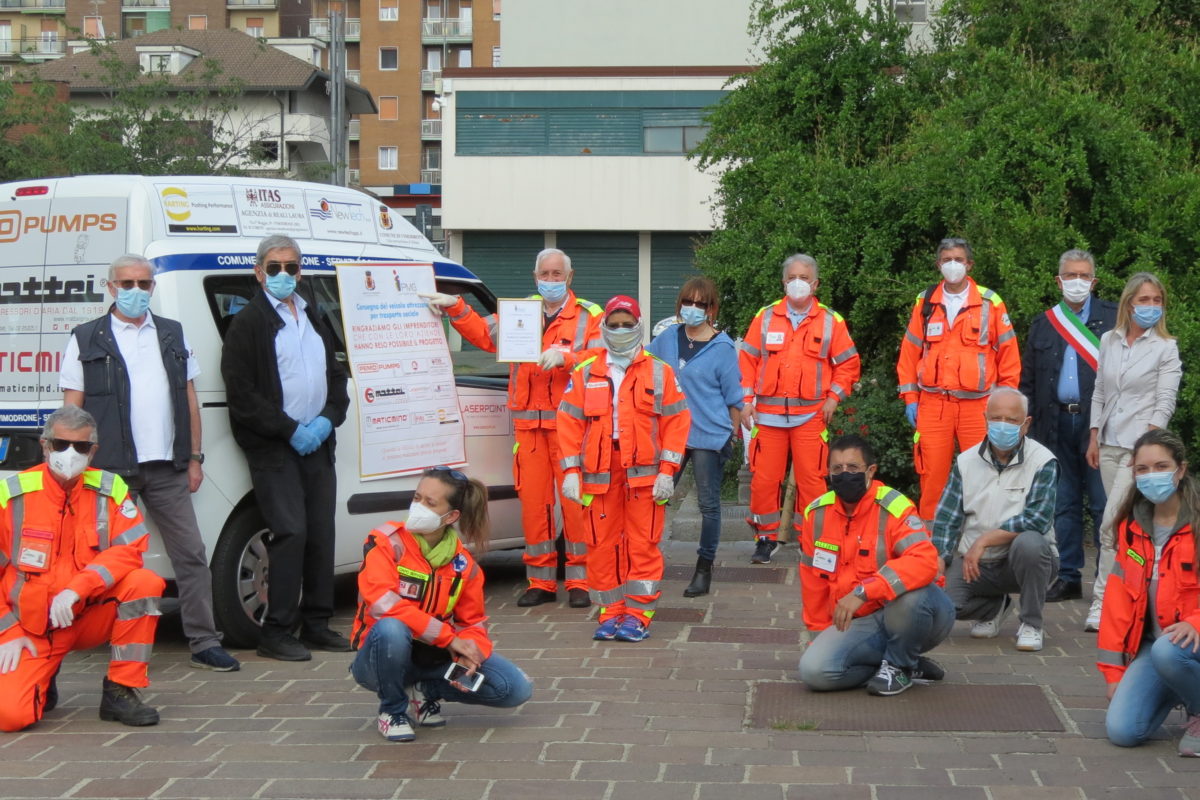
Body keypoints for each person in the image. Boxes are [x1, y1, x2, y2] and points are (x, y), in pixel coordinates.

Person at [60, 254, 238, 672]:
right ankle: (98, 635)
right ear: (111, 287)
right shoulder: (86, 337)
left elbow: (189, 398)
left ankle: (204, 641)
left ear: (153, 287)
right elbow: (72, 410)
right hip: (109, 471)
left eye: (143, 283)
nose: (136, 291)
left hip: (167, 466)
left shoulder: (172, 333)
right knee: (106, 559)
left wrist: (194, 458)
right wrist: (73, 464)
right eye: (127, 284)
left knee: (191, 554)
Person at [420, 249, 602, 608]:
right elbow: (484, 335)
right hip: (529, 428)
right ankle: (541, 582)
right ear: (535, 277)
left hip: (570, 427)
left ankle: (580, 581)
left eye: (557, 274)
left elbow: (601, 357)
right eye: (544, 274)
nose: (550, 280)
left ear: (570, 277)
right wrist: (456, 307)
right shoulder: (521, 311)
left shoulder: (589, 316)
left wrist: (567, 358)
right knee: (534, 507)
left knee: (576, 506)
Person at [221, 234, 351, 662]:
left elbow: (335, 377)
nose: (283, 275)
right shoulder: (248, 323)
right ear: (259, 272)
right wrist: (289, 430)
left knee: (320, 532)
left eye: (291, 267)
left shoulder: (312, 314)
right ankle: (276, 630)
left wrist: (327, 419)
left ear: (300, 271)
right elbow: (242, 394)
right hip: (275, 448)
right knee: (290, 532)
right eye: (274, 267)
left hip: (318, 442)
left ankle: (316, 623)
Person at [0, 406, 164, 731]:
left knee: (144, 583)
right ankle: (44, 677)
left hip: (88, 613)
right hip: (32, 628)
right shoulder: (12, 495)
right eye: (61, 444)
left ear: (93, 451)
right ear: (45, 445)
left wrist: (77, 588)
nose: (70, 453)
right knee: (10, 716)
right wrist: (8, 631)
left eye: (81, 446)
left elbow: (130, 549)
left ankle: (121, 689)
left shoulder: (110, 489)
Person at [350, 466, 533, 742]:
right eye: (417, 497)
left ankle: (424, 692)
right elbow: (383, 604)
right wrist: (449, 639)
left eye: (430, 502)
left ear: (452, 516)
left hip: (433, 658)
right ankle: (392, 710)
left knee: (514, 689)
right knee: (392, 627)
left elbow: (473, 623)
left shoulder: (463, 564)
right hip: (379, 659)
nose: (418, 506)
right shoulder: (385, 542)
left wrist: (470, 654)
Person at [557, 296, 690, 642]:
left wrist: (668, 471)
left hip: (645, 475)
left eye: (626, 324)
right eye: (613, 325)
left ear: (638, 326)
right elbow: (569, 423)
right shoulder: (586, 372)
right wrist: (571, 472)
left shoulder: (660, 371)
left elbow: (677, 422)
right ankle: (610, 612)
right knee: (601, 545)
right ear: (603, 327)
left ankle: (638, 614)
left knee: (642, 543)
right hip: (599, 474)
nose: (619, 330)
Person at [797, 435, 953, 696]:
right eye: (837, 468)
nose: (845, 474)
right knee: (814, 672)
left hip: (913, 614)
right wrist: (819, 639)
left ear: (870, 471)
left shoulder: (894, 508)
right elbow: (813, 584)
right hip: (859, 624)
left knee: (911, 597)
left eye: (853, 467)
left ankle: (900, 665)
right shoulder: (817, 514)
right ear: (828, 473)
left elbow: (926, 562)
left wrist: (864, 591)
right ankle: (897, 665)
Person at [739, 254, 860, 564]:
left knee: (812, 482)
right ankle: (765, 539)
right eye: (792, 277)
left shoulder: (831, 321)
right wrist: (747, 400)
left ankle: (812, 539)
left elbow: (848, 364)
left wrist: (834, 398)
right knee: (764, 481)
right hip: (768, 416)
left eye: (804, 278)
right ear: (783, 282)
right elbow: (747, 361)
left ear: (815, 284)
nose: (798, 283)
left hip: (811, 416)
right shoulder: (765, 317)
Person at [897, 237, 1021, 521]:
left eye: (959, 259)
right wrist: (910, 398)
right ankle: (931, 538)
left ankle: (982, 536)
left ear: (969, 264)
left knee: (984, 474)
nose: (953, 265)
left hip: (978, 407)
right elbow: (909, 353)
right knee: (932, 476)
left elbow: (1009, 357)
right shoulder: (926, 302)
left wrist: (1004, 407)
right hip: (933, 405)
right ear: (938, 264)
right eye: (947, 260)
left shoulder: (990, 303)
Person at [1085, 272, 1181, 632]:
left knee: (1109, 524)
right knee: (1128, 525)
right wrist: (1094, 435)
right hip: (1108, 444)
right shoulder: (1109, 340)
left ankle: (1102, 602)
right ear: (1129, 303)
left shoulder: (1165, 347)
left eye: (1157, 300)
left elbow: (1164, 401)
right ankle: (1136, 596)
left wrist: (1146, 451)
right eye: (1144, 300)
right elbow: (1099, 390)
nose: (1151, 306)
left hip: (1138, 450)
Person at [1019, 250, 1117, 603]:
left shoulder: (1114, 317)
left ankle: (1108, 580)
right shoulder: (1044, 323)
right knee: (1063, 503)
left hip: (1100, 425)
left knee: (1103, 504)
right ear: (1059, 281)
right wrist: (1027, 426)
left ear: (1094, 281)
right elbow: (1028, 381)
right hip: (1054, 422)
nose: (1078, 281)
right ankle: (1069, 576)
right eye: (1071, 275)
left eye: (1084, 275)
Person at [932, 387, 1059, 652]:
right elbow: (947, 518)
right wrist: (939, 560)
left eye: (1012, 420)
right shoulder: (966, 461)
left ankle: (1031, 623)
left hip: (1022, 561)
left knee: (1030, 543)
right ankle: (994, 607)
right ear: (985, 419)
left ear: (1026, 424)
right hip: (976, 564)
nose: (1003, 425)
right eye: (996, 418)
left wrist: (985, 541)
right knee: (940, 604)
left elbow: (1037, 519)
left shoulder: (1043, 461)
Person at [1097, 430, 1200, 756]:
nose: (1151, 475)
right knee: (1122, 731)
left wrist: (1195, 622)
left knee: (1169, 652)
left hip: (1182, 645)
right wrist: (1114, 674)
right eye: (1142, 469)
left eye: (1161, 466)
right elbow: (1117, 602)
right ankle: (1182, 685)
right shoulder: (1131, 525)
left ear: (1181, 469)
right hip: (1156, 648)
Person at [647, 277, 743, 596]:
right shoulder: (667, 338)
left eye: (701, 304)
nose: (693, 308)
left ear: (711, 308)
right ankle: (645, 559)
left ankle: (703, 569)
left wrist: (731, 436)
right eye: (688, 302)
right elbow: (643, 366)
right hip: (670, 434)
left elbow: (734, 398)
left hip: (708, 435)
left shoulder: (722, 347)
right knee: (655, 497)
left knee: (708, 505)